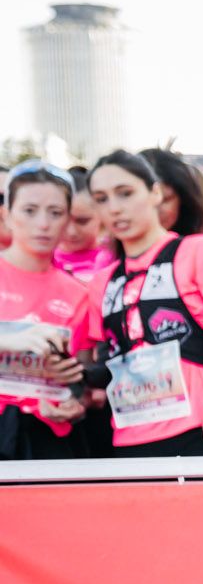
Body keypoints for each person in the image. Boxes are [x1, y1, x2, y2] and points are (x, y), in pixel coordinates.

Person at [80, 150, 203, 456]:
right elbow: (106, 360)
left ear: (155, 192)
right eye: (101, 199)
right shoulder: (101, 282)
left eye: (125, 193)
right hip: (129, 438)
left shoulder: (198, 251)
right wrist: (73, 385)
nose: (115, 208)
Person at [0, 163, 93, 458]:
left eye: (55, 213)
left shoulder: (79, 294)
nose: (43, 223)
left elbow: (81, 381)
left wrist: (72, 403)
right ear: (7, 214)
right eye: (29, 210)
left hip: (46, 440)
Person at [141, 146, 203, 238]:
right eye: (147, 200)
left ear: (183, 199)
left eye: (166, 200)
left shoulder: (198, 246)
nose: (157, 210)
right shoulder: (121, 249)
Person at [53, 165, 106, 279]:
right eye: (63, 220)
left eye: (82, 221)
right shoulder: (41, 259)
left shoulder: (114, 259)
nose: (71, 231)